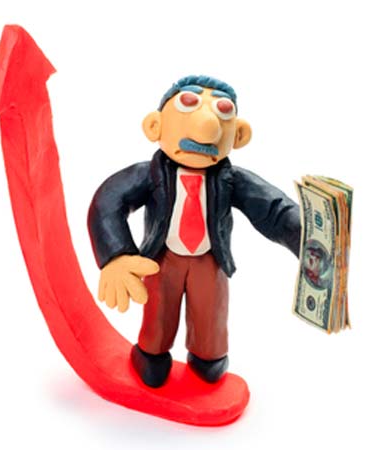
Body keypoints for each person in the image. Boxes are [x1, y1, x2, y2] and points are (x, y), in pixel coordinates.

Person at [88, 75, 301, 387]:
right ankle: (151, 354)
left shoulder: (231, 179)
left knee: (210, 313)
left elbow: (271, 208)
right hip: (162, 259)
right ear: (155, 126)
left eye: (223, 111)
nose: (208, 126)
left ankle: (208, 357)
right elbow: (109, 201)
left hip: (210, 260)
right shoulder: (149, 175)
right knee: (158, 310)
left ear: (239, 135)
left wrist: (303, 233)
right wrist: (116, 255)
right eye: (189, 104)